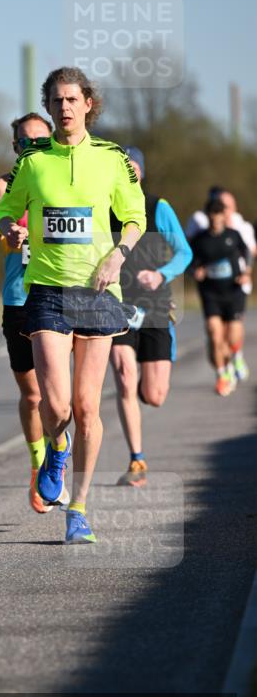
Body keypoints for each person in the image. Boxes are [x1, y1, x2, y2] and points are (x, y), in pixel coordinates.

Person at [0, 66, 146, 544]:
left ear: (88, 104)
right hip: (46, 290)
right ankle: (56, 448)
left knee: (86, 406)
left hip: (98, 292)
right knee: (56, 404)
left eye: (72, 99)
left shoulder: (112, 158)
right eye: (56, 100)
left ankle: (78, 509)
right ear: (48, 106)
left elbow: (135, 216)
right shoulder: (33, 160)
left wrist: (118, 256)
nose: (64, 107)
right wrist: (9, 228)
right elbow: (5, 210)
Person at [0, 111, 65, 513]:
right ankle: (38, 463)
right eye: (24, 141)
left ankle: (59, 459)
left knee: (62, 397)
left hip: (61, 295)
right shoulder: (0, 188)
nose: (32, 146)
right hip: (18, 300)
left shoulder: (66, 181)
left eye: (40, 140)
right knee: (33, 394)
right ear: (15, 147)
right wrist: (1, 232)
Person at [109, 147, 192, 486]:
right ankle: (137, 460)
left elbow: (184, 252)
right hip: (117, 303)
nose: (128, 174)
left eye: (132, 168)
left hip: (156, 304)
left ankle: (145, 386)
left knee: (154, 395)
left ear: (141, 172)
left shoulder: (158, 207)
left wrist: (161, 274)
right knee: (124, 375)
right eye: (122, 169)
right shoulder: (103, 207)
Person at [190, 198, 251, 396]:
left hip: (233, 291)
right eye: (212, 215)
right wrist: (195, 271)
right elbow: (189, 261)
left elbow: (247, 252)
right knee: (215, 335)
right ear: (208, 216)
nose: (216, 220)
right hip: (211, 294)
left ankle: (236, 357)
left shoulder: (233, 235)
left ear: (224, 216)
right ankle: (222, 376)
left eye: (219, 215)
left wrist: (247, 272)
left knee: (233, 335)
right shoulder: (199, 240)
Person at [185, 187, 256, 295]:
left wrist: (246, 272)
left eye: (227, 207)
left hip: (237, 282)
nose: (223, 211)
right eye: (219, 207)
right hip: (210, 284)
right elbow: (188, 247)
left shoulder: (242, 227)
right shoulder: (202, 222)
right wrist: (194, 270)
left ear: (234, 207)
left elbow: (251, 251)